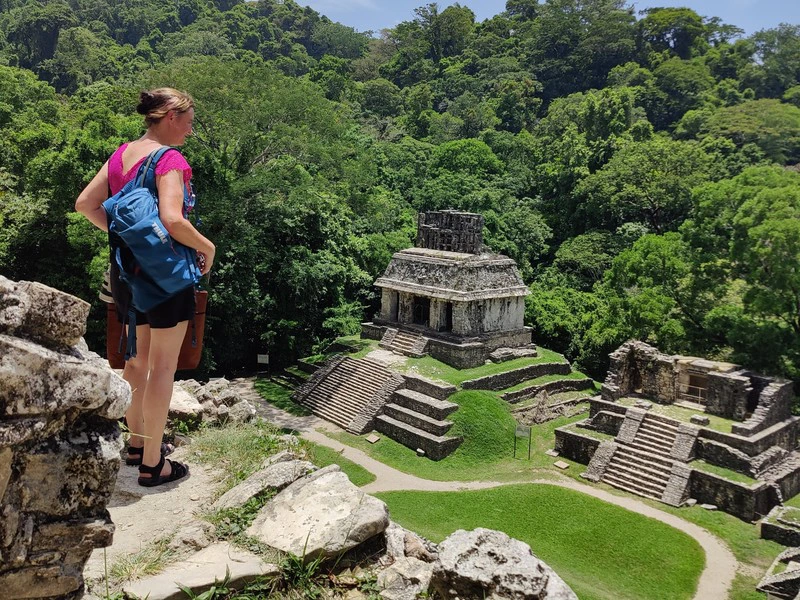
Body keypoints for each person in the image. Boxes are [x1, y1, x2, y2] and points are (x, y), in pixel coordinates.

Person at [76, 88, 215, 487]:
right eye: (188, 122)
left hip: (125, 273)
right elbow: (173, 219)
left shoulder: (121, 154)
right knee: (163, 368)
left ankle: (137, 444)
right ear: (170, 116)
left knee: (136, 362)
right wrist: (207, 247)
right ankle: (154, 464)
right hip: (166, 277)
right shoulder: (169, 159)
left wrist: (128, 239)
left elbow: (86, 204)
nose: (190, 130)